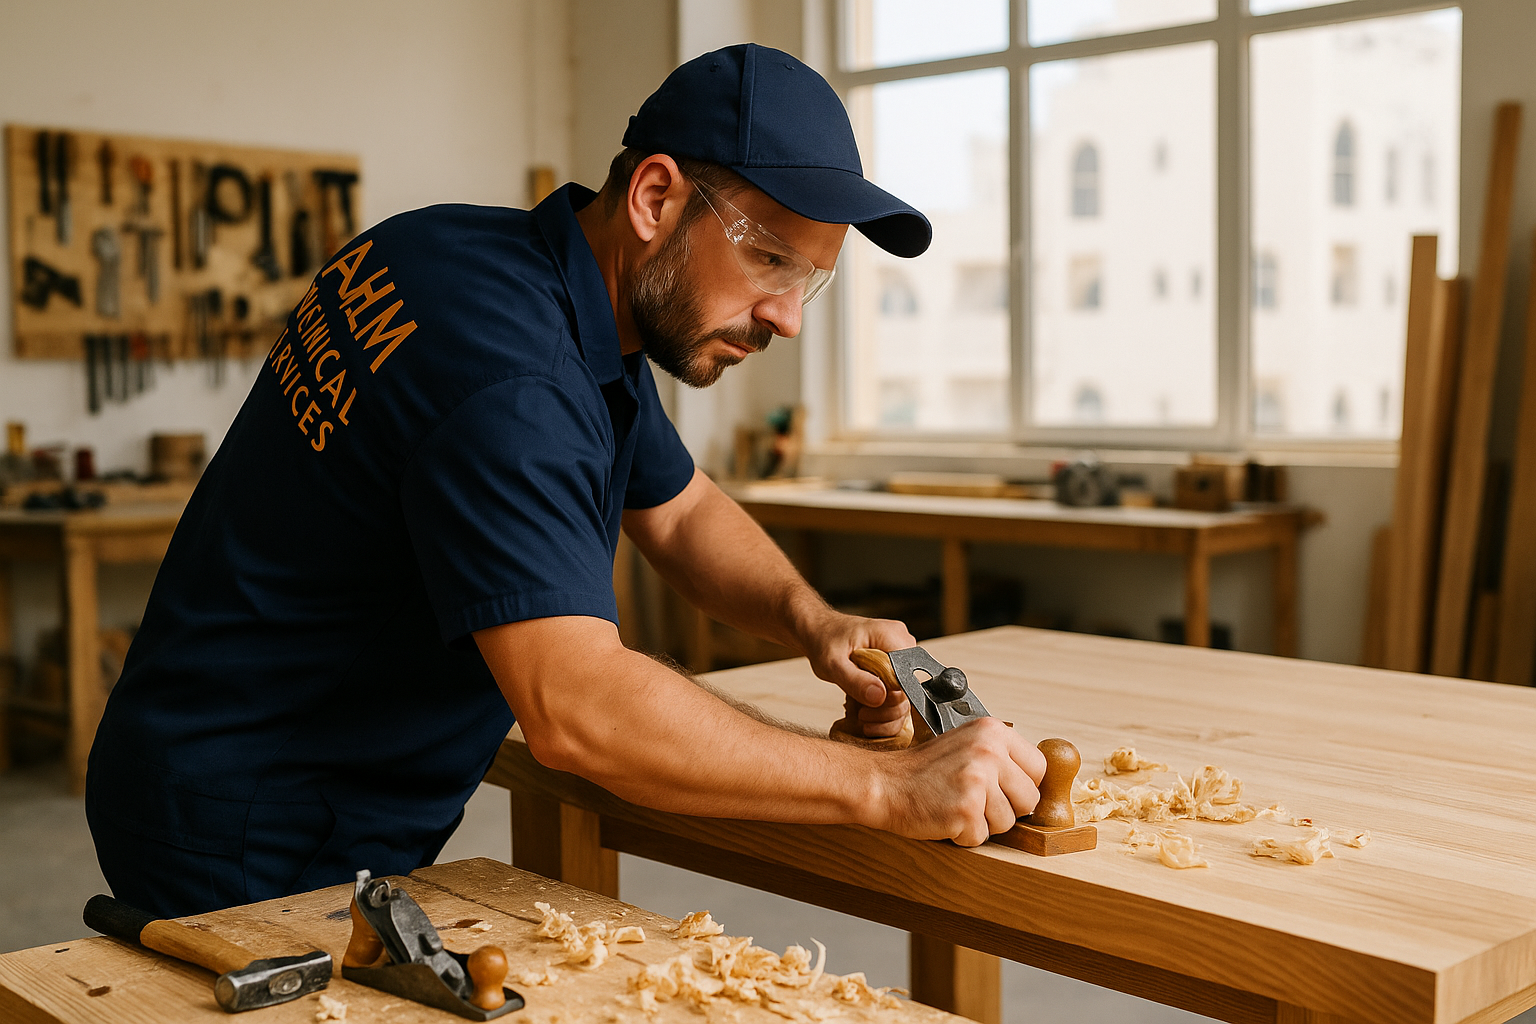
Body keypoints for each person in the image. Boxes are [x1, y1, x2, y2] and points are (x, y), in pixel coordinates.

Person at [86, 43, 1046, 917]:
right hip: (253, 814)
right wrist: (892, 789)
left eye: (810, 282)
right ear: (656, 198)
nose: (785, 318)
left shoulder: (499, 265)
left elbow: (677, 510)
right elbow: (579, 711)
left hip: (222, 751)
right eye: (767, 261)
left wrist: (812, 620)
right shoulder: (514, 376)